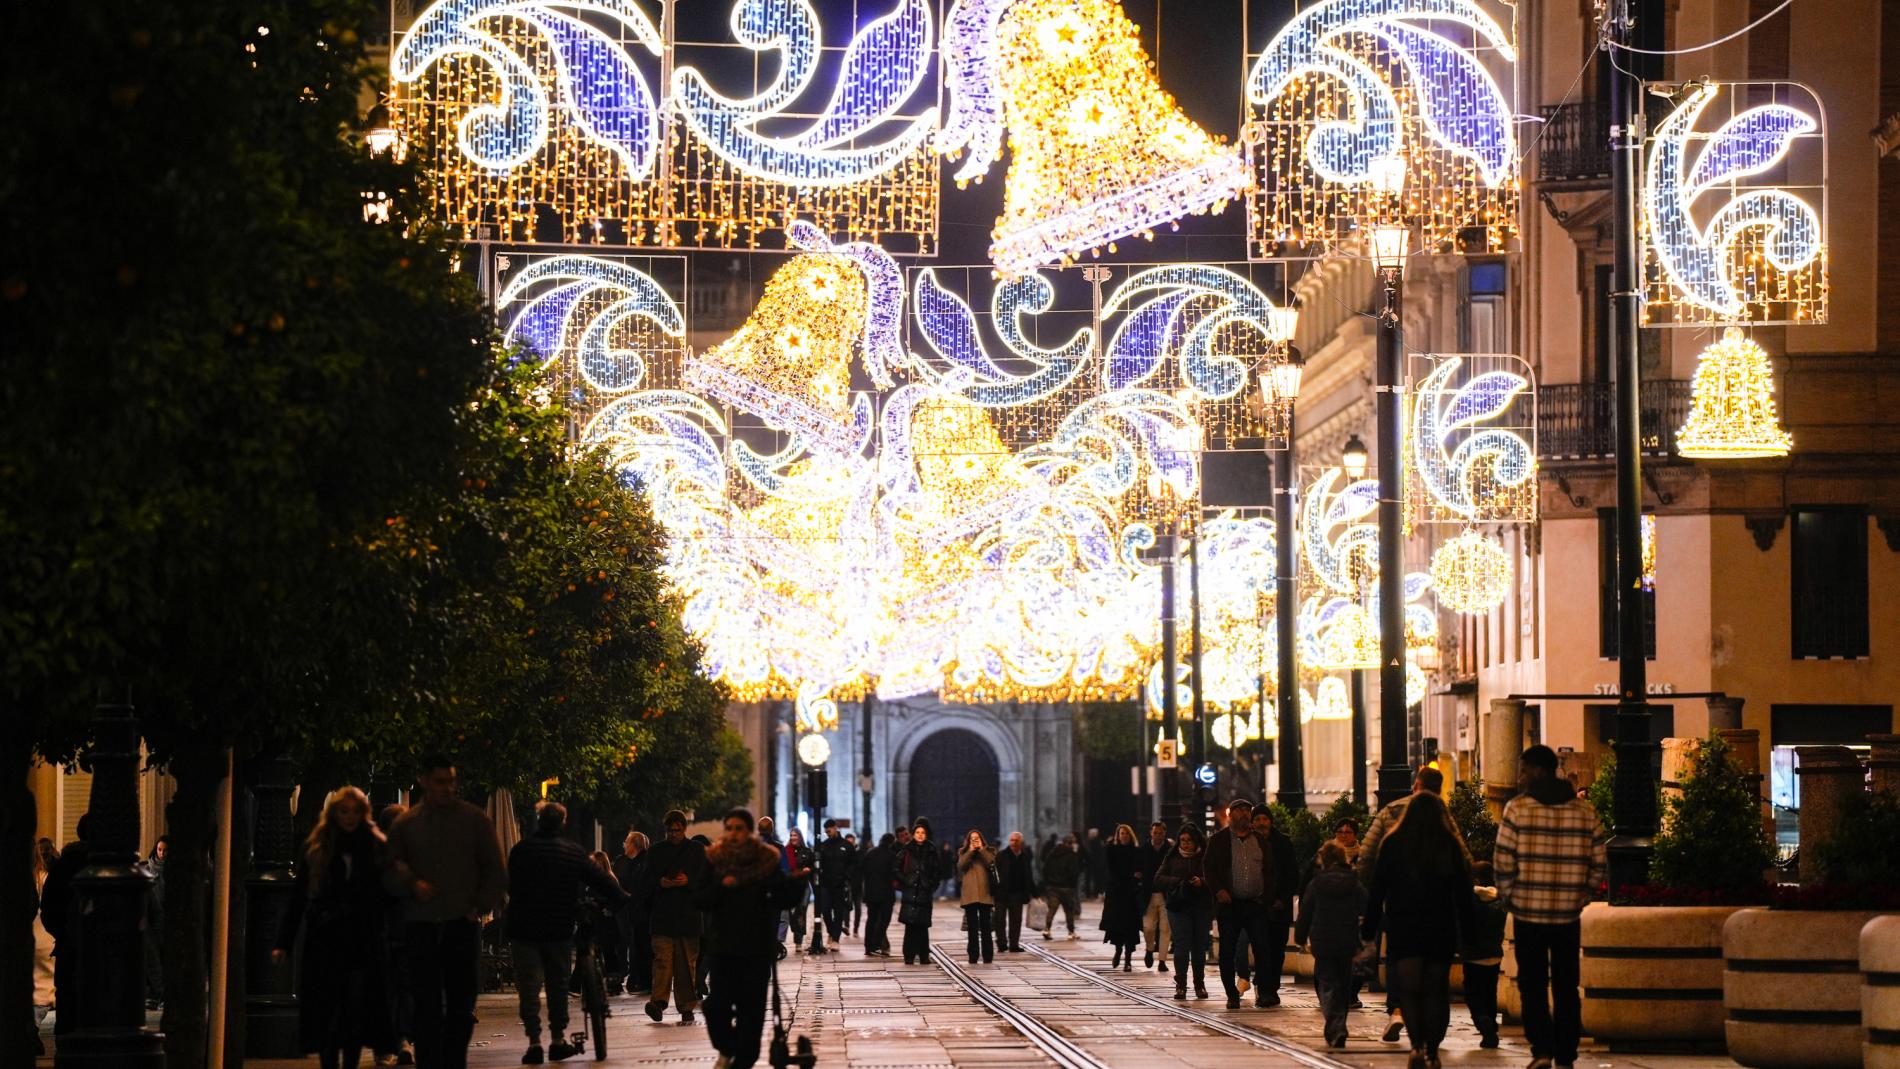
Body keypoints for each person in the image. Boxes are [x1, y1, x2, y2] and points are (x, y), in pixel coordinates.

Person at [386, 755, 507, 1069]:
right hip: (421, 923)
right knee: (425, 1004)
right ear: (424, 781)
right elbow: (388, 868)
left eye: (451, 781)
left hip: (460, 922)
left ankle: (454, 1060)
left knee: (461, 1004)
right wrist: (412, 884)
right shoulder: (407, 824)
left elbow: (495, 869)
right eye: (440, 781)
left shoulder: (474, 821)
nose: (447, 788)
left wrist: (479, 905)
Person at [1496, 745, 1608, 1069]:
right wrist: (1581, 895)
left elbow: (1503, 860)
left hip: (1528, 912)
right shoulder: (1584, 811)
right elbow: (1599, 861)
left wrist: (1510, 897)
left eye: (1524, 770)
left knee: (1531, 984)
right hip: (1567, 915)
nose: (1520, 777)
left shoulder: (1517, 809)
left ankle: (1542, 1050)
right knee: (1565, 985)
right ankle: (1566, 1054)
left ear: (1538, 771)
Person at [273, 787, 397, 1069]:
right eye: (344, 811)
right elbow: (299, 896)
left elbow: (390, 882)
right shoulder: (318, 847)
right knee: (327, 1014)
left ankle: (349, 1064)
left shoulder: (372, 846)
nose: (350, 817)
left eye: (356, 812)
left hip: (361, 943)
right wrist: (284, 942)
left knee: (354, 1014)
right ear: (334, 813)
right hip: (326, 943)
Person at [1362, 791, 1475, 1069]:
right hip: (1440, 926)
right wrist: (1469, 931)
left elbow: (1378, 890)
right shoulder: (1449, 845)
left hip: (1404, 925)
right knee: (1436, 991)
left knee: (1410, 991)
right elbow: (1464, 893)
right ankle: (1433, 1051)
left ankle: (1415, 1047)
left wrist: (1369, 929)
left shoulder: (1393, 843)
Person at [507, 808, 628, 1064]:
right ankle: (557, 1039)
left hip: (523, 927)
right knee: (557, 985)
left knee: (528, 987)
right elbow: (602, 880)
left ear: (539, 821)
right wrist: (620, 899)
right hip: (557, 927)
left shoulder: (521, 850)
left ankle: (533, 1043)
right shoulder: (572, 852)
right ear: (563, 822)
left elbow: (509, 884)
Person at [1356, 767, 1456, 1044]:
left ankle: (1409, 1033)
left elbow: (1367, 861)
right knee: (1437, 987)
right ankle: (1432, 1050)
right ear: (1438, 790)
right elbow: (1463, 869)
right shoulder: (1445, 822)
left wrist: (1371, 919)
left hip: (1402, 914)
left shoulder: (1391, 822)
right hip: (1440, 918)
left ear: (1415, 787)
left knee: (1406, 979)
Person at [699, 808, 797, 1069]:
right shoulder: (714, 859)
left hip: (756, 950)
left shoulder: (766, 860)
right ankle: (728, 1047)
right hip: (723, 948)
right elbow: (701, 898)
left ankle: (742, 1060)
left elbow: (781, 898)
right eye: (729, 828)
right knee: (715, 1007)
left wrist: (795, 885)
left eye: (739, 828)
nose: (733, 834)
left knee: (751, 1015)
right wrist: (723, 887)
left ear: (750, 831)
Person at [1204, 798, 1278, 1010]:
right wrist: (1219, 891)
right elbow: (1209, 868)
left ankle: (1263, 992)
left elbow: (1270, 871)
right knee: (1227, 951)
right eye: (1240, 811)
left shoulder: (1260, 841)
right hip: (1230, 905)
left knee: (1262, 950)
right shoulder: (1219, 840)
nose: (1245, 814)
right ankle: (1231, 994)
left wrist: (1267, 898)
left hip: (1255, 905)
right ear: (1231, 815)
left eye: (1247, 810)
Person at [1296, 841, 1368, 1050]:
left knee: (1327, 984)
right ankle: (1340, 1025)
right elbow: (1367, 907)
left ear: (1324, 861)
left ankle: (1335, 1027)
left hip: (1323, 941)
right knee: (1344, 985)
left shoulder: (1317, 883)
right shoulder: (1354, 883)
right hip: (1347, 941)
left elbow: (1305, 913)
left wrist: (1301, 938)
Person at [645, 810, 707, 1025]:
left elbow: (706, 880)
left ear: (684, 829)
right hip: (663, 916)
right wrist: (660, 883)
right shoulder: (655, 852)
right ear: (666, 830)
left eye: (678, 830)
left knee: (685, 965)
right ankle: (658, 1002)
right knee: (662, 961)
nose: (674, 834)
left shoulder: (697, 851)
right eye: (671, 831)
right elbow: (646, 880)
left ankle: (686, 1006)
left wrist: (688, 881)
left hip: (687, 917)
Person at [39, 813, 92, 1037]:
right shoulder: (105, 863)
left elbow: (48, 907)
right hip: (97, 949)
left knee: (68, 1004)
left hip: (68, 945)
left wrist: (63, 933)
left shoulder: (63, 867)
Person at [375, 803, 416, 1068]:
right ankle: (400, 1040)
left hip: (389, 932)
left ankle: (390, 1044)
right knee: (402, 987)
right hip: (400, 930)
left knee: (388, 988)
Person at [1247, 807, 1299, 1006]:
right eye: (1258, 819)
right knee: (1261, 949)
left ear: (1271, 822)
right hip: (1257, 906)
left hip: (1279, 907)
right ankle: (1263, 988)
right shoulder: (1248, 843)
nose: (1261, 823)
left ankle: (1272, 988)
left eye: (1265, 819)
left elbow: (1292, 874)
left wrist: (1283, 899)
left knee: (1277, 950)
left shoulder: (1283, 843)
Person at [1154, 824, 1211, 1001]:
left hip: (1200, 906)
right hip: (1178, 906)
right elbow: (1158, 879)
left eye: (1189, 841)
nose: (1186, 844)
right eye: (1183, 840)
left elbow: (1216, 878)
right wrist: (1177, 881)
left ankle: (1199, 984)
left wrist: (1201, 882)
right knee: (1181, 945)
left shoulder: (1205, 857)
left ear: (1196, 841)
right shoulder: (1172, 856)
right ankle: (1181, 985)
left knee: (1199, 947)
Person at [1462, 860, 1506, 1049]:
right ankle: (1491, 1025)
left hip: (1473, 955)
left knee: (1473, 993)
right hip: (1494, 954)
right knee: (1490, 993)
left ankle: (1482, 1020)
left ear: (1476, 879)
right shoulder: (1499, 899)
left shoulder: (1470, 899)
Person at [612, 830, 651, 996]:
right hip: (624, 910)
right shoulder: (622, 861)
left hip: (638, 911)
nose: (623, 844)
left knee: (638, 945)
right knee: (623, 943)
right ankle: (626, 976)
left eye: (626, 842)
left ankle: (638, 979)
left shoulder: (644, 862)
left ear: (634, 845)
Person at [1100, 824, 1143, 971]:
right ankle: (1118, 951)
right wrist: (1131, 875)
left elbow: (1138, 871)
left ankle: (1128, 960)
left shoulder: (1136, 851)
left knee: (1131, 928)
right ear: (1118, 835)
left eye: (1126, 833)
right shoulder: (1112, 850)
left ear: (1130, 835)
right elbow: (1112, 871)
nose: (1124, 835)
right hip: (1117, 894)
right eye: (1121, 833)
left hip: (1131, 895)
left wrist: (1134, 876)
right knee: (1117, 926)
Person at [898, 818, 940, 965]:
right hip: (910, 892)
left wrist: (930, 885)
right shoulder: (906, 849)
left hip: (924, 892)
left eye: (923, 832)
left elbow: (936, 871)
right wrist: (906, 881)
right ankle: (908, 955)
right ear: (913, 834)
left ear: (926, 834)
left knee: (922, 926)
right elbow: (895, 868)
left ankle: (923, 955)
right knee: (910, 926)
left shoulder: (931, 849)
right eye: (917, 832)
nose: (920, 835)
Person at [956, 829, 997, 964]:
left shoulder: (988, 850)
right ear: (968, 841)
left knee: (986, 926)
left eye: (977, 838)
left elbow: (991, 862)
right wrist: (971, 851)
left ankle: (988, 955)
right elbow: (961, 866)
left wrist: (981, 850)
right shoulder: (963, 852)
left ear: (981, 839)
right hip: (970, 895)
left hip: (985, 893)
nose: (974, 840)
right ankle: (973, 955)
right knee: (972, 928)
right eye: (972, 839)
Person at [991, 832, 1037, 952]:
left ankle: (1014, 944)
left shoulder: (1025, 857)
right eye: (1011, 840)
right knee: (1000, 920)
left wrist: (1035, 892)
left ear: (1021, 843)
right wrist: (993, 890)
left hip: (1017, 894)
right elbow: (994, 874)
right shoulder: (1001, 856)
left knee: (1016, 921)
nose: (1013, 843)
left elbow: (1028, 875)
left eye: (1016, 841)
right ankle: (1001, 943)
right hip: (1002, 894)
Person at [813, 819, 853, 954]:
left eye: (829, 831)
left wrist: (846, 877)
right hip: (826, 883)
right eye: (826, 832)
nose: (827, 833)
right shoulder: (824, 845)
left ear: (835, 828)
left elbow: (852, 864)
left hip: (840, 884)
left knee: (839, 912)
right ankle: (831, 931)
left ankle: (835, 939)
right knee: (825, 910)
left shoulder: (847, 846)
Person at [32, 837, 56, 1054]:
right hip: (45, 934)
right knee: (44, 988)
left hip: (30, 933)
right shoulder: (48, 878)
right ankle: (33, 1029)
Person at [1138, 820, 1172, 972]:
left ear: (1165, 833)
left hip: (1166, 895)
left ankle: (1162, 960)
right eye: (1155, 832)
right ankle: (1149, 949)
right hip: (1148, 894)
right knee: (1148, 927)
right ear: (1151, 833)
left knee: (1165, 929)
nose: (1158, 835)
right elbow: (1137, 868)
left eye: (1160, 833)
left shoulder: (1170, 850)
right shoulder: (1143, 849)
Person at [858, 832, 897, 957]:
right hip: (886, 893)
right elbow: (894, 874)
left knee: (871, 919)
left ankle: (868, 946)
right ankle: (876, 944)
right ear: (891, 842)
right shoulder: (891, 856)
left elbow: (862, 870)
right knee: (884, 920)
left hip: (871, 892)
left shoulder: (870, 853)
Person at [780, 828, 817, 953]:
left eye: (795, 835)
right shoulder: (785, 851)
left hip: (803, 886)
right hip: (788, 885)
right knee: (786, 913)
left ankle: (798, 941)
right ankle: (780, 939)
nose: (793, 837)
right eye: (791, 835)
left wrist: (809, 871)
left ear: (800, 836)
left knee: (801, 911)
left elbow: (813, 868)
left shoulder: (807, 851)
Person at [1038, 833, 1082, 939]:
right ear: (1070, 843)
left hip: (1052, 887)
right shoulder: (1071, 855)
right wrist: (1072, 885)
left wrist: (1047, 882)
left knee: (1052, 909)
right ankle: (1071, 932)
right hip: (1066, 887)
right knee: (1069, 910)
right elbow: (1074, 872)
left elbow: (1045, 869)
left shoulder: (1052, 853)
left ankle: (1047, 929)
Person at [144, 835, 167, 1010]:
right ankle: (154, 993)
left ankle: (161, 994)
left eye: (165, 850)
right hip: (152, 921)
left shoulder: (174, 872)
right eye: (159, 849)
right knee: (152, 960)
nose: (162, 853)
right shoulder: (148, 870)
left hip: (166, 921)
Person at [844, 832, 864, 936]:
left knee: (858, 908)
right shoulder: (843, 853)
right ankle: (846, 926)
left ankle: (856, 928)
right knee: (846, 906)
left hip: (858, 885)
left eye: (851, 842)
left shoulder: (860, 853)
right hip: (847, 884)